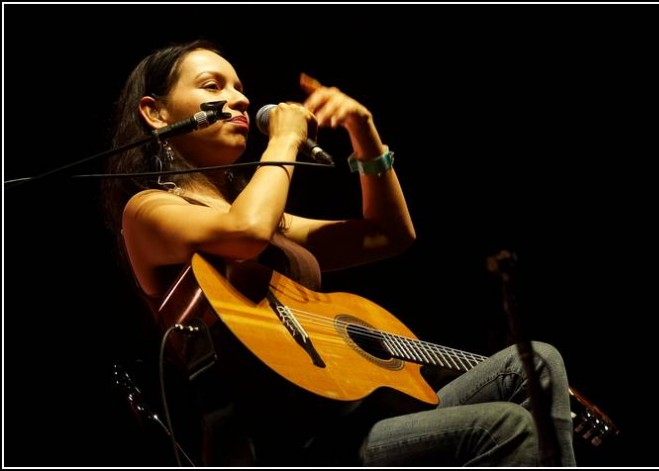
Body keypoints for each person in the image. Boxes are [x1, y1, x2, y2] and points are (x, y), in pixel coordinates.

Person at [102, 39, 577, 467]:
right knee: (508, 426)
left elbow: (387, 235)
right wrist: (286, 138)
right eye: (213, 85)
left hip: (348, 420)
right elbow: (245, 231)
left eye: (240, 87)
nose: (241, 98)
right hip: (291, 447)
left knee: (534, 360)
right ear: (156, 113)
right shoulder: (149, 210)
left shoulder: (266, 218)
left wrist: (364, 132)